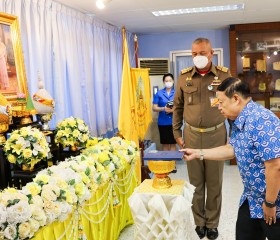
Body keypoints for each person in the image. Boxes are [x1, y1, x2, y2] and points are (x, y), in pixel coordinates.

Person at [181, 77, 280, 240]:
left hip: (273, 202)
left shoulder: (262, 120)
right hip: (251, 199)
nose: (218, 107)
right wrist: (199, 153)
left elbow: (275, 165)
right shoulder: (239, 120)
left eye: (221, 102)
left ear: (235, 99)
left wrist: (270, 203)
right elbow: (232, 149)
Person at [172, 37, 231, 239]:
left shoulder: (224, 75)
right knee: (196, 184)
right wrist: (176, 133)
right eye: (194, 53)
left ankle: (212, 223)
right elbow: (178, 108)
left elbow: (233, 106)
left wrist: (234, 136)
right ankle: (199, 221)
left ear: (211, 53)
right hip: (192, 136)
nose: (198, 57)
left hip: (216, 135)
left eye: (202, 53)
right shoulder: (184, 77)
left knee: (214, 183)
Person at [152, 73, 176, 151]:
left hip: (174, 122)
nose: (168, 82)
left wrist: (173, 110)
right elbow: (154, 107)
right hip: (163, 122)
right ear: (163, 82)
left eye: (170, 80)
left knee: (173, 143)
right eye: (166, 81)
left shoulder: (177, 93)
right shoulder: (159, 93)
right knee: (165, 143)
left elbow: (181, 107)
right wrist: (163, 108)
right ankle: (166, 163)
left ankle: (173, 163)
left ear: (173, 81)